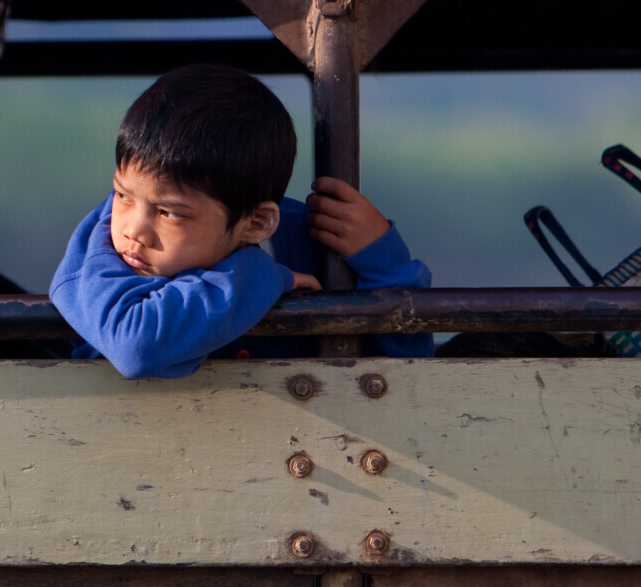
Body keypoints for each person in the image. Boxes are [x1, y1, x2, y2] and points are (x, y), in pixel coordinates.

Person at [49, 64, 433, 379]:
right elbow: (136, 346)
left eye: (168, 212)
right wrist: (262, 275)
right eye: (122, 195)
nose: (134, 228)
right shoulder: (101, 245)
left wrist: (384, 261)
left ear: (257, 224)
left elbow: (408, 377)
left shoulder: (307, 241)